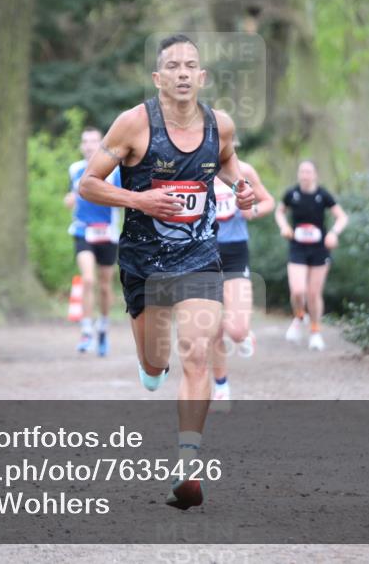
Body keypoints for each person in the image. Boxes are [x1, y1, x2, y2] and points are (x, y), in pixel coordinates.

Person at [78, 34, 254, 510]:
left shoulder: (221, 125)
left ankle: (188, 467)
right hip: (144, 263)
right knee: (157, 364)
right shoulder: (134, 125)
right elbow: (88, 184)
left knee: (197, 354)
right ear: (158, 78)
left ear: (202, 77)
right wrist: (138, 199)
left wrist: (241, 187)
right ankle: (147, 364)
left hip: (199, 256)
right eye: (172, 65)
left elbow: (228, 163)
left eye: (190, 65)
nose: (181, 72)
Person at [210, 157, 274, 407]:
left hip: (235, 251)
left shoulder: (243, 170)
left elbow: (268, 200)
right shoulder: (195, 166)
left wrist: (253, 210)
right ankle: (221, 384)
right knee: (211, 324)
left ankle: (244, 334)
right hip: (204, 251)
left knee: (236, 330)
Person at [275, 160, 348, 351]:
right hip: (297, 247)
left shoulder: (322, 195)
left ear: (315, 175)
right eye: (302, 171)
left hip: (319, 249)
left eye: (308, 172)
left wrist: (333, 233)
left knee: (314, 294)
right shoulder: (292, 194)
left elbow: (342, 217)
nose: (305, 175)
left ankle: (315, 332)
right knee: (298, 291)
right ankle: (300, 316)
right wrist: (284, 226)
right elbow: (279, 212)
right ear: (298, 174)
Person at [65, 127, 121, 357]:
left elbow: (121, 199)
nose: (89, 145)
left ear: (102, 145)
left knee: (105, 286)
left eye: (93, 141)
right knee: (88, 279)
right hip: (82, 231)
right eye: (85, 141)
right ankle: (87, 330)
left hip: (107, 234)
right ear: (81, 146)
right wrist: (70, 198)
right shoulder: (75, 169)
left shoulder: (115, 171)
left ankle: (103, 327)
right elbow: (71, 196)